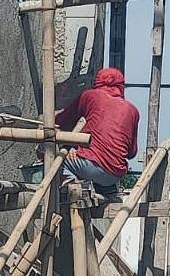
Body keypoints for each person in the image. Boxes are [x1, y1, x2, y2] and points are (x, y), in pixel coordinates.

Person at [55, 67, 139, 196]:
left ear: (98, 82)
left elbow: (63, 121)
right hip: (114, 176)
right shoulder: (132, 110)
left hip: (90, 166)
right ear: (121, 86)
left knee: (55, 157)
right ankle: (105, 191)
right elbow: (131, 153)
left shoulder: (91, 96)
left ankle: (68, 188)